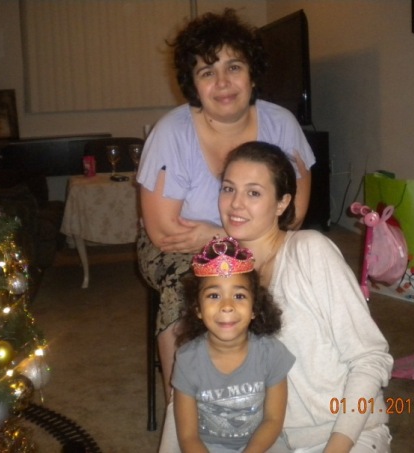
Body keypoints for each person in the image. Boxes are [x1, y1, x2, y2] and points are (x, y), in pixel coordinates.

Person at [136, 8, 316, 403]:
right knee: (193, 286)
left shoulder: (282, 125)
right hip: (178, 246)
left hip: (261, 237)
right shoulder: (172, 133)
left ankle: (294, 388)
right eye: (207, 72)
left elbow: (294, 215)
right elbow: (165, 233)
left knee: (303, 274)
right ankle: (183, 408)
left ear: (252, 73)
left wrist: (219, 235)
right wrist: (221, 244)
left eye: (233, 67)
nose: (222, 83)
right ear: (193, 84)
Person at [216, 141, 393, 453]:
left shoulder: (310, 251)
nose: (235, 204)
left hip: (342, 433)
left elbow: (370, 358)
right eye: (228, 189)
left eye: (254, 193)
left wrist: (336, 447)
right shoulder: (224, 273)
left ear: (282, 203)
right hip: (269, 435)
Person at [173, 236, 295, 453]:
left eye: (239, 296)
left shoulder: (272, 353)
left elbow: (273, 420)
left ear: (254, 308)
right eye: (214, 295)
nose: (227, 306)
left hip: (262, 444)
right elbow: (188, 436)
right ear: (197, 309)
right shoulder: (186, 360)